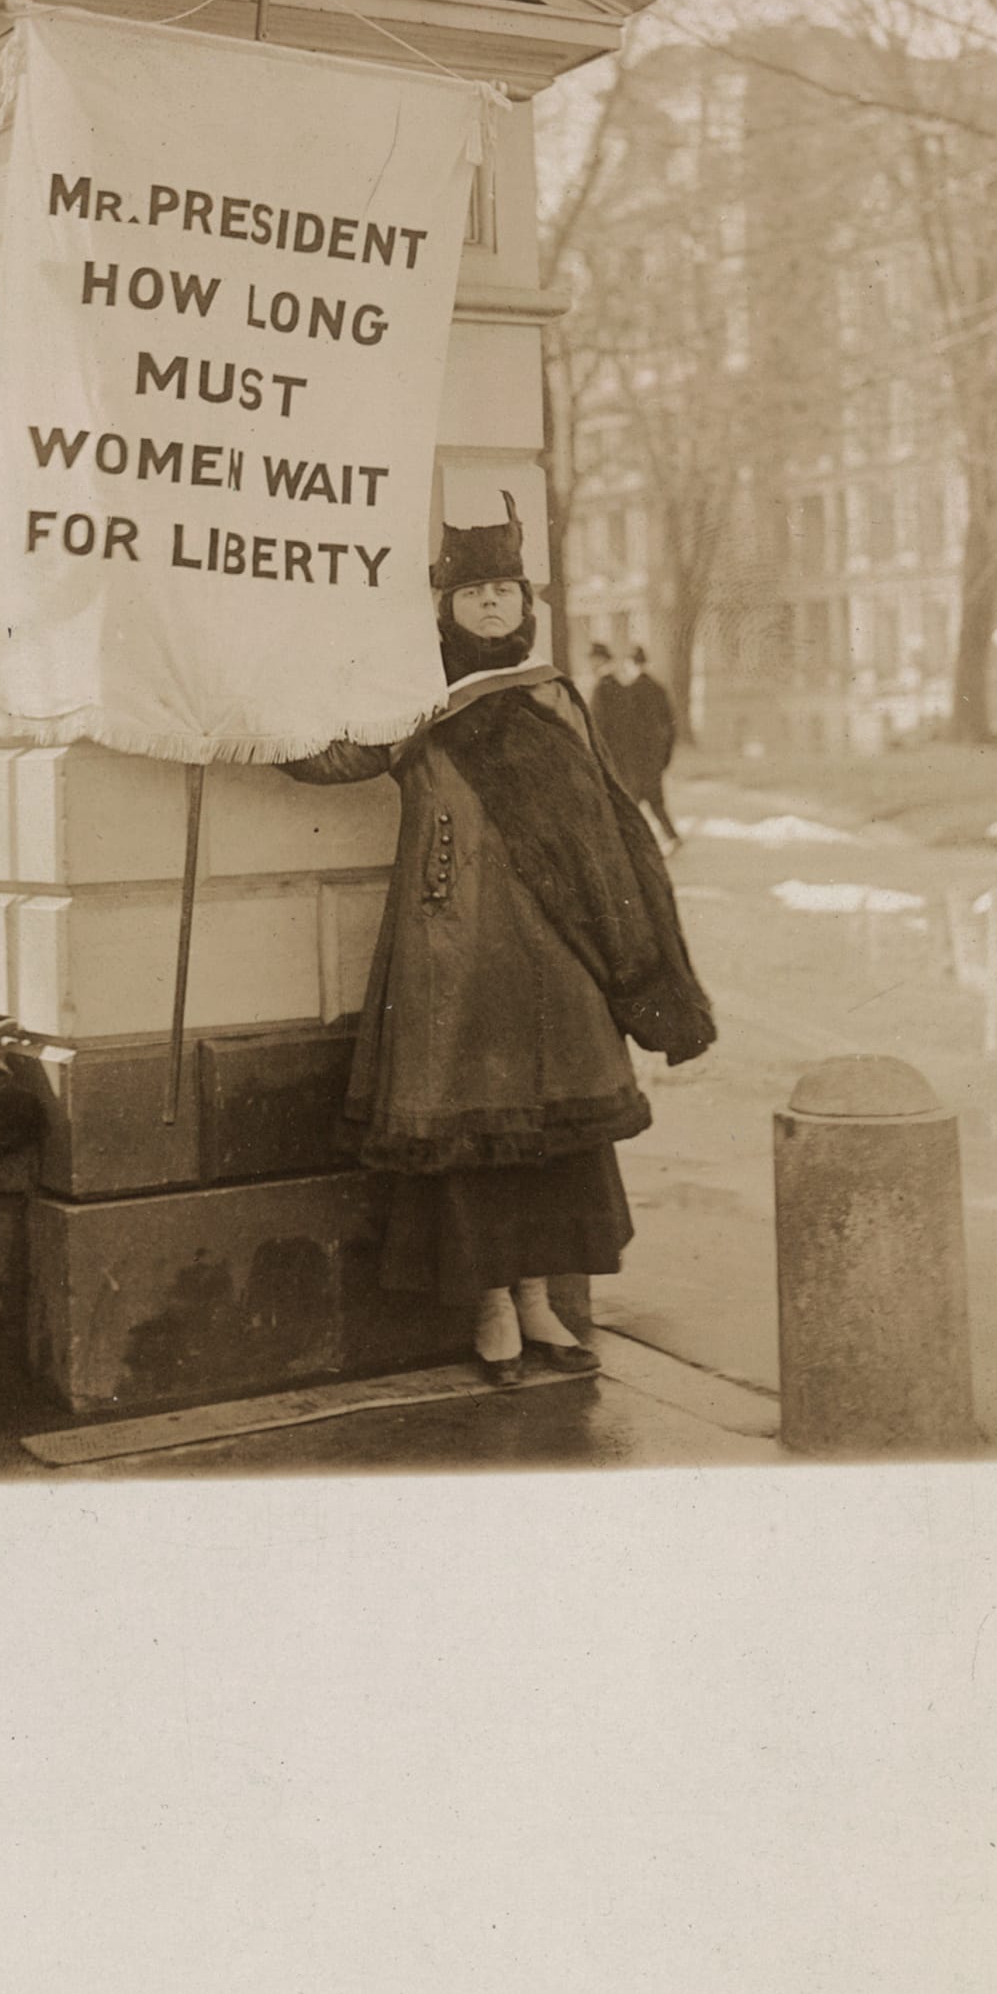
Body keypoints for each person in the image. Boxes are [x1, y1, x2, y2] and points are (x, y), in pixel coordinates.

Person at [284, 495, 716, 1385]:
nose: (489, 605)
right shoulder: (418, 700)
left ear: (526, 605)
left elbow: (608, 824)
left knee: (550, 1137)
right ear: (443, 608)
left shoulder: (554, 695)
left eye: (503, 591)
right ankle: (490, 1310)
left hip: (558, 956)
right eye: (472, 591)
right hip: (454, 955)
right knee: (470, 1135)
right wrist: (233, 716)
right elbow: (334, 757)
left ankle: (538, 1302)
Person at [591, 643, 682, 851]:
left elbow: (618, 729)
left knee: (636, 800)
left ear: (632, 664)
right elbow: (670, 726)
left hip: (634, 758)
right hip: (653, 757)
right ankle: (663, 838)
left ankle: (638, 843)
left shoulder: (624, 690)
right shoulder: (658, 689)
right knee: (650, 799)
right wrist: (665, 756)